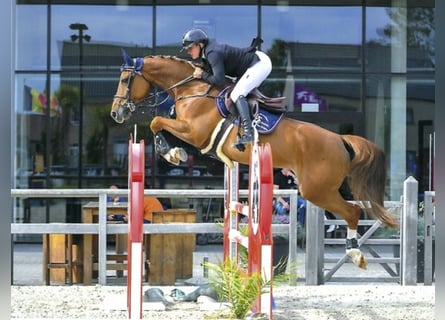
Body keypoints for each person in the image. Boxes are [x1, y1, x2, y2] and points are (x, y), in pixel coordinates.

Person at [180, 28, 272, 148]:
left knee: (237, 94)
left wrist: (202, 75)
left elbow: (219, 81)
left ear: (200, 44)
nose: (189, 52)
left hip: (259, 63)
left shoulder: (212, 53)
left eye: (190, 48)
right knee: (237, 92)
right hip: (250, 65)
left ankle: (249, 133)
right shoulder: (207, 53)